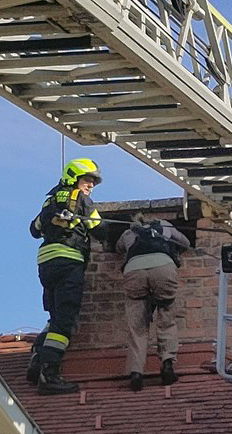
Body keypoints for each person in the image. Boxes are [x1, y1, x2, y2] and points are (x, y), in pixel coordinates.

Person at [27, 158, 107, 395]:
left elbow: (34, 230)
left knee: (55, 315)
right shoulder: (81, 200)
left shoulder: (49, 202)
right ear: (74, 177)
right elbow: (100, 230)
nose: (90, 186)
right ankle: (48, 374)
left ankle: (36, 358)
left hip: (46, 264)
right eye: (87, 180)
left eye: (93, 182)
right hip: (69, 261)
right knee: (65, 321)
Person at [115, 213, 190, 391]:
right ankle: (167, 364)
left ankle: (136, 373)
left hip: (134, 271)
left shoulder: (128, 233)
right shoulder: (165, 225)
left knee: (137, 326)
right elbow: (185, 243)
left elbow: (119, 249)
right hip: (163, 267)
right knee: (166, 318)